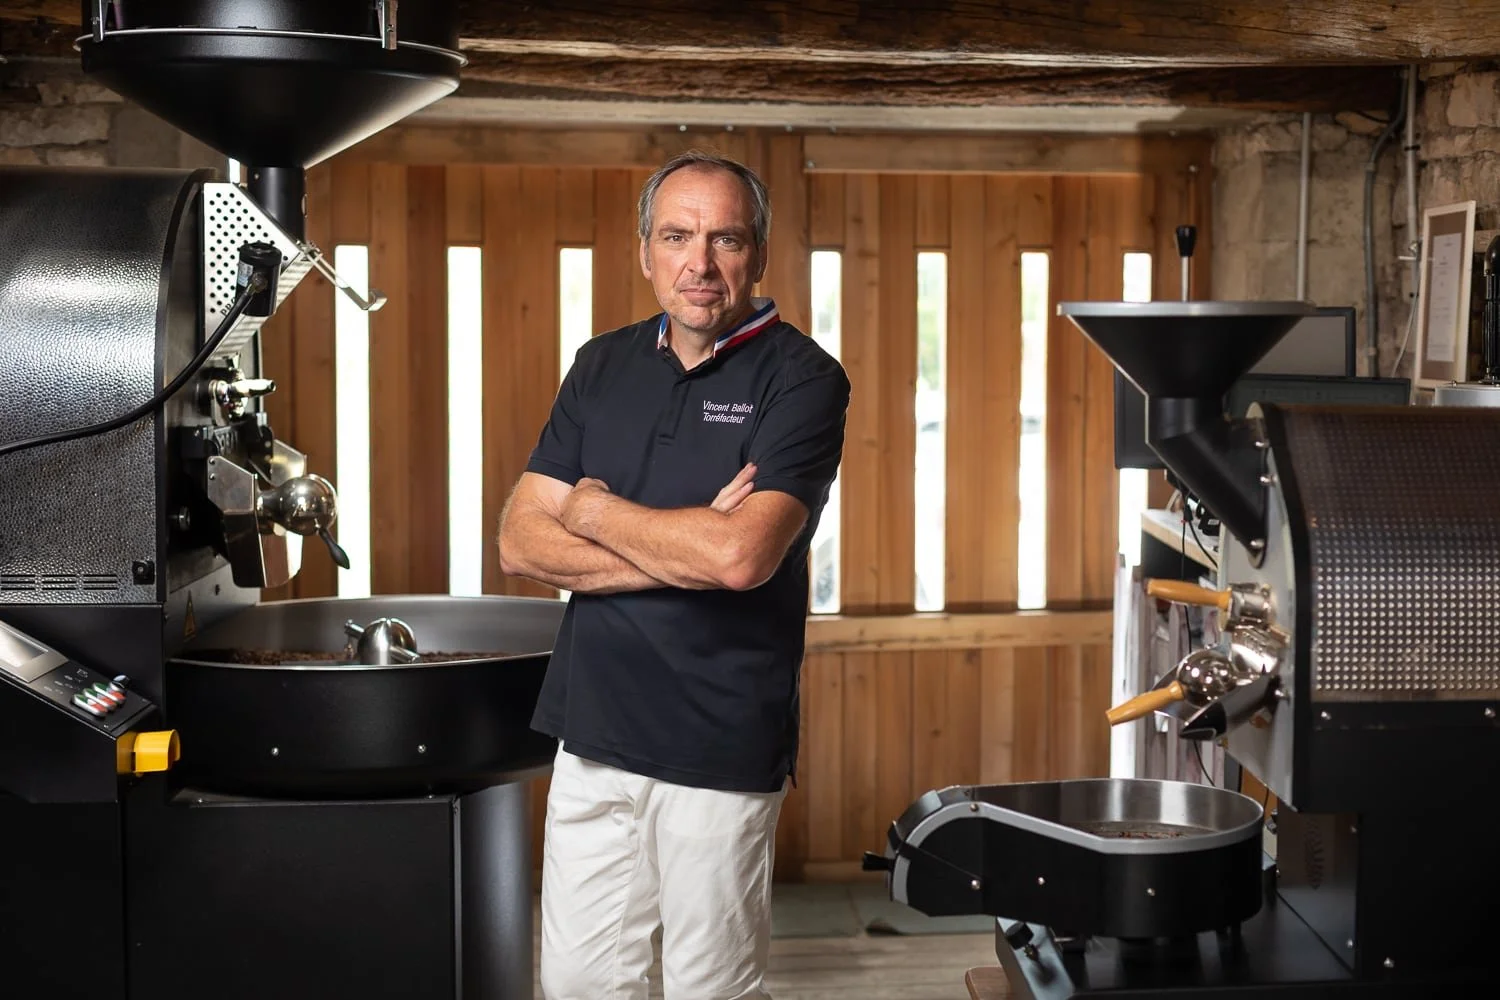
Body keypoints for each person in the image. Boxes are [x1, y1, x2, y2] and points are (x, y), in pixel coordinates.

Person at [497, 150, 850, 1000]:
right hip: (594, 732)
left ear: (758, 253)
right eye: (677, 236)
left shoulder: (804, 381)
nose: (700, 263)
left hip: (718, 745)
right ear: (645, 251)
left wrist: (588, 512)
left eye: (725, 238)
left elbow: (740, 557)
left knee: (708, 988)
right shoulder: (601, 364)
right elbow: (516, 542)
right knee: (580, 986)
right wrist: (680, 550)